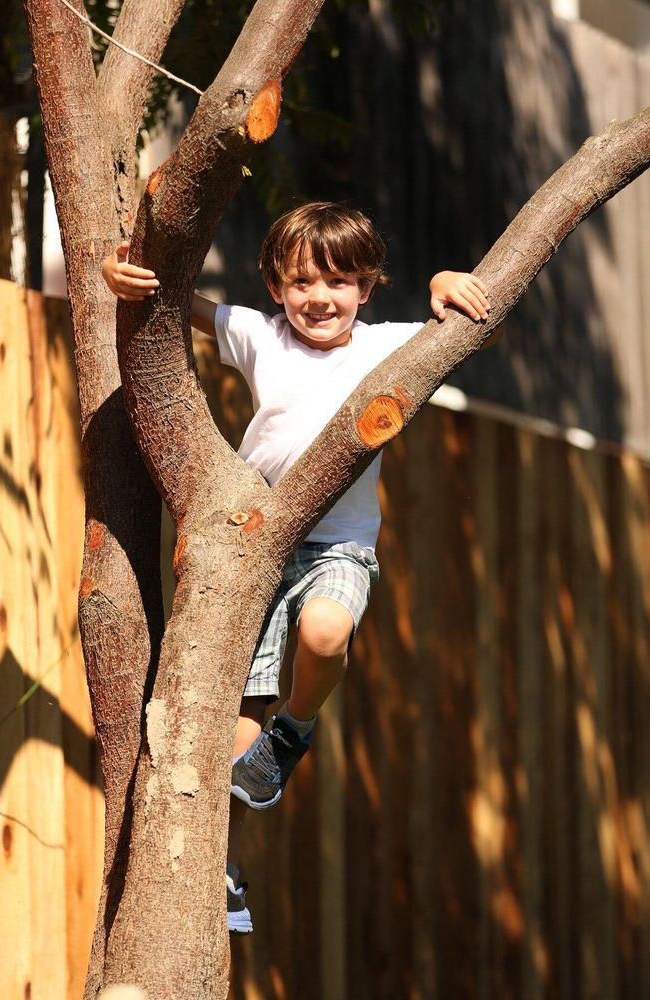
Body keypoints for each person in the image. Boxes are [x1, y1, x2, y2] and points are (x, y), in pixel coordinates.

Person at [103, 201, 490, 935]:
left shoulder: (389, 346)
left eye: (341, 282)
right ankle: (218, 868)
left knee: (323, 635)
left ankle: (298, 728)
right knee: (234, 732)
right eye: (303, 281)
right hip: (253, 546)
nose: (321, 297)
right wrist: (116, 274)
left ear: (368, 288)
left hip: (339, 545)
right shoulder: (258, 335)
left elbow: (479, 326)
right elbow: (176, 301)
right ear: (276, 286)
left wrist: (448, 279)